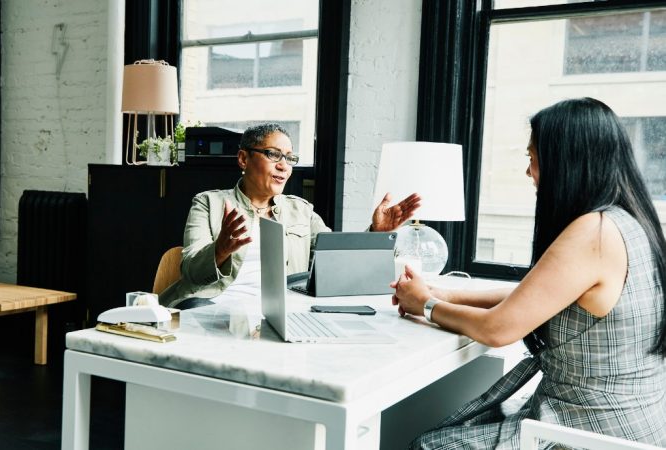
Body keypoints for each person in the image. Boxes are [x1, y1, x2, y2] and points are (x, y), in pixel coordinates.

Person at [392, 98, 666, 448]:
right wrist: (444, 293)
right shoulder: (630, 222)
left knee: (430, 445)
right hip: (635, 424)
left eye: (531, 157)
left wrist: (425, 305)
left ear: (565, 161)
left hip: (589, 431)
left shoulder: (593, 232)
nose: (528, 172)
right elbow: (540, 296)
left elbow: (497, 329)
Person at [159, 123, 421, 309]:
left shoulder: (301, 210)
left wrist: (377, 233)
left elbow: (336, 258)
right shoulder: (209, 203)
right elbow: (191, 271)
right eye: (273, 154)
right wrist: (221, 249)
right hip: (211, 305)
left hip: (279, 313)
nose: (284, 165)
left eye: (289, 157)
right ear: (243, 159)